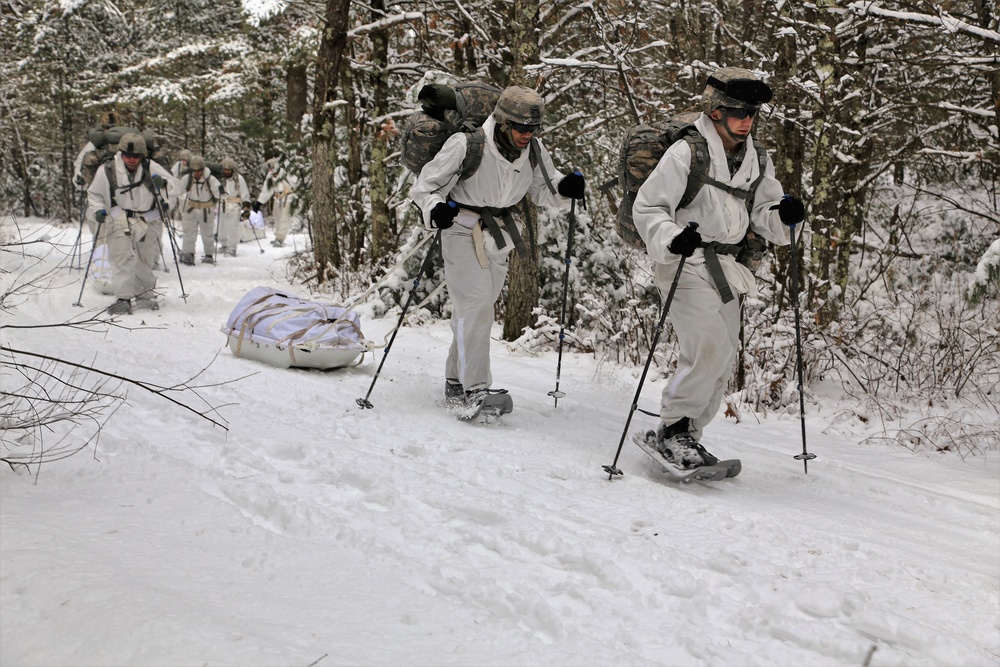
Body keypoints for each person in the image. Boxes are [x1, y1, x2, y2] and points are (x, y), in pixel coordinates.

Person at [632, 66, 805, 469]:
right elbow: (649, 207)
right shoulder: (686, 153)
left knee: (724, 355)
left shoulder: (757, 159)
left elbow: (765, 214)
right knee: (707, 345)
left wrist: (786, 214)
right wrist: (672, 237)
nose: (746, 121)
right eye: (738, 112)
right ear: (715, 112)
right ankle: (673, 431)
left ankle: (688, 436)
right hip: (683, 261)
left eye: (752, 113)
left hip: (727, 266)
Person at [409, 85, 586, 412]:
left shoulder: (533, 149)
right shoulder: (468, 144)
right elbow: (426, 186)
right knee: (476, 306)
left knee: (473, 311)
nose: (527, 134)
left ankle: (454, 382)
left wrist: (565, 187)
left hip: (501, 234)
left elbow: (545, 189)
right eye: (521, 128)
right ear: (504, 122)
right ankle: (475, 389)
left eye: (533, 129)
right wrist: (435, 208)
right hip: (461, 229)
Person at [85, 132, 178, 314]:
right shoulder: (108, 170)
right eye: (128, 155)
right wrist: (98, 210)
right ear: (121, 153)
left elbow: (175, 187)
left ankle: (144, 295)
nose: (132, 159)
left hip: (148, 218)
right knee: (121, 258)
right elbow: (94, 194)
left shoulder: (152, 167)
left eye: (136, 156)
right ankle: (123, 297)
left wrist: (164, 186)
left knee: (145, 258)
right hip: (119, 216)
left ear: (142, 155)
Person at [177, 155, 222, 265]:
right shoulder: (187, 178)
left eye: (199, 170)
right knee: (189, 232)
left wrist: (221, 192)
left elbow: (219, 193)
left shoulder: (210, 179)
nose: (197, 173)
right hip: (191, 207)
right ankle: (188, 254)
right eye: (194, 170)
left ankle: (209, 254)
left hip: (206, 209)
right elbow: (178, 190)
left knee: (207, 233)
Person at [256, 158, 297, 247]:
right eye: (269, 168)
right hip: (277, 198)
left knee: (284, 218)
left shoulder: (285, 174)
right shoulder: (270, 176)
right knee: (277, 217)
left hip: (288, 198)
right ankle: (277, 236)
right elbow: (267, 190)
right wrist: (259, 202)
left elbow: (295, 184)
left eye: (272, 167)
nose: (271, 169)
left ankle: (280, 238)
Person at [216, 157, 251, 257]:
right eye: (225, 170)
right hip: (222, 205)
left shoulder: (238, 179)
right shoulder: (219, 179)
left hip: (234, 205)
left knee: (232, 227)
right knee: (221, 226)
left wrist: (246, 207)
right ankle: (224, 245)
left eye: (229, 170)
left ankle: (232, 248)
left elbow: (245, 194)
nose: (227, 172)